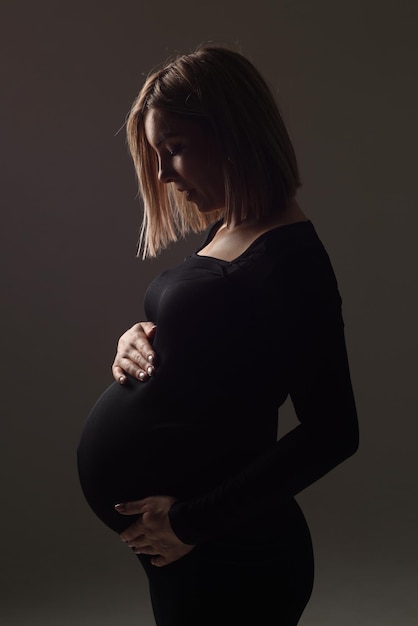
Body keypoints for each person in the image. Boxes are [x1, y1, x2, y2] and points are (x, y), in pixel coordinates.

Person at [77, 43, 359, 626]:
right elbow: (214, 353)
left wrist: (190, 523)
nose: (162, 174)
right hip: (191, 553)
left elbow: (335, 430)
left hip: (232, 553)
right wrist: (137, 340)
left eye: (174, 150)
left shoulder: (291, 260)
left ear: (232, 133)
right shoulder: (233, 229)